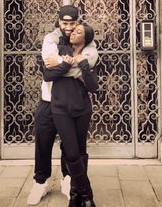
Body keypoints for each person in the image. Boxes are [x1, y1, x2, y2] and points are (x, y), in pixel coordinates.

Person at [27, 5, 98, 206]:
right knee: (43, 142)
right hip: (48, 101)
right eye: (65, 23)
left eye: (72, 23)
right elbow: (47, 63)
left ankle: (70, 181)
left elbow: (91, 59)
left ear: (78, 21)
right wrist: (74, 63)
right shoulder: (51, 38)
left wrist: (62, 63)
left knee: (72, 147)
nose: (68, 28)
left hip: (73, 103)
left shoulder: (85, 36)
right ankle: (41, 181)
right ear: (59, 21)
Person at [43, 23, 97, 207]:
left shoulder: (89, 57)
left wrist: (82, 64)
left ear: (85, 39)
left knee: (81, 152)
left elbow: (93, 87)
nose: (72, 32)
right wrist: (64, 63)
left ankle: (76, 196)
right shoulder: (60, 49)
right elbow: (47, 75)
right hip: (60, 109)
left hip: (82, 109)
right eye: (73, 30)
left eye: (78, 31)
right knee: (72, 154)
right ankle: (87, 194)